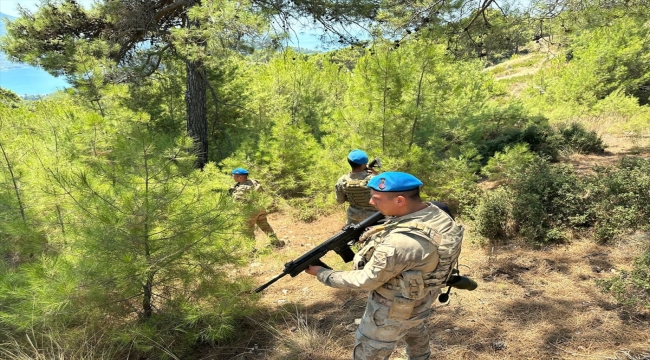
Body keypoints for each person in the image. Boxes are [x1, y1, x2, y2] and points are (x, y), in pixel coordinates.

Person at [306, 172, 465, 360]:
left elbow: (365, 280)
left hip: (391, 309)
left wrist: (322, 273)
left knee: (371, 348)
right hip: (423, 296)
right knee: (413, 327)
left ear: (399, 200)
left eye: (376, 198)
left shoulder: (399, 243)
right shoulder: (437, 213)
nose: (372, 202)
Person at [229, 168, 284, 248]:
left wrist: (233, 194)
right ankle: (276, 242)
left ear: (240, 177)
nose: (233, 177)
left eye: (234, 176)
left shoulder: (241, 188)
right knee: (265, 226)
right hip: (260, 208)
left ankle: (250, 249)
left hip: (251, 211)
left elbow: (237, 203)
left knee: (248, 231)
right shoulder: (253, 182)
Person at [335, 149, 379, 225]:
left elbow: (340, 201)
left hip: (353, 218)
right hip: (374, 218)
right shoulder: (374, 179)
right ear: (363, 164)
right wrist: (377, 174)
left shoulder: (342, 180)